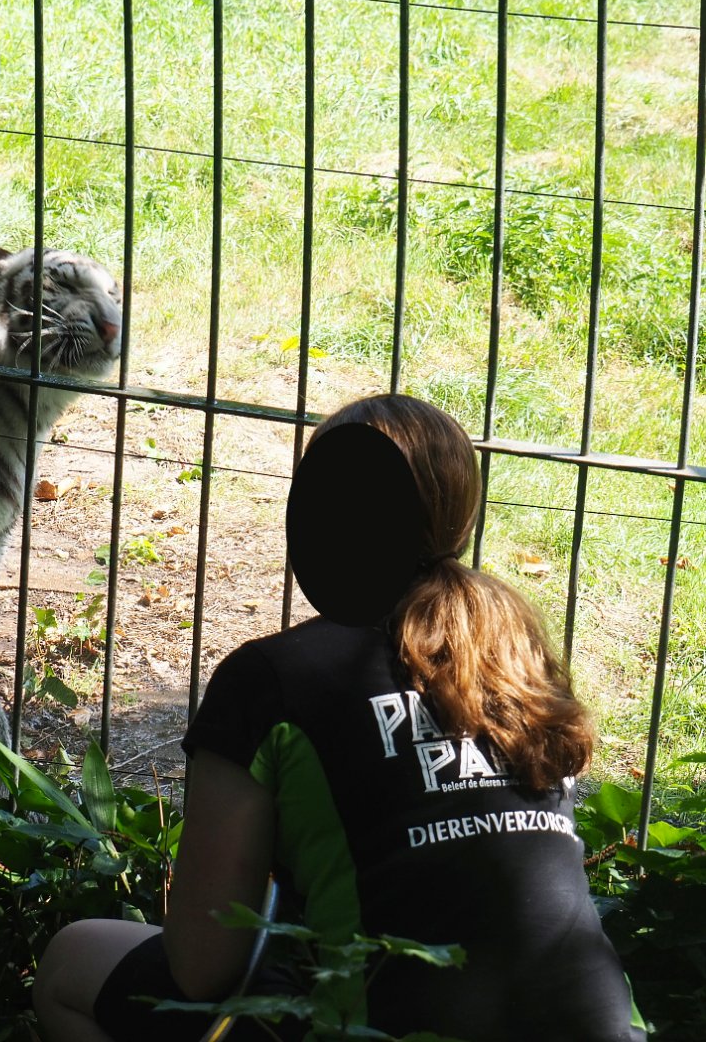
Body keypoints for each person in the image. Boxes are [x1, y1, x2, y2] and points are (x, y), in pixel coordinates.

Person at [32, 394, 646, 1042]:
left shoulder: (268, 680)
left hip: (382, 1027)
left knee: (72, 963)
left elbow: (201, 968)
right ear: (458, 516)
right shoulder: (519, 665)